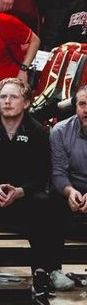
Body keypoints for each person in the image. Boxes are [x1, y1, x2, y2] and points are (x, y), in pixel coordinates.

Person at [0, 79, 57, 300]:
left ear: (26, 103)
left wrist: (20, 191)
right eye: (3, 97)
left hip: (24, 198)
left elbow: (42, 175)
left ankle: (41, 272)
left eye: (13, 97)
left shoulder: (37, 132)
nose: (7, 101)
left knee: (44, 201)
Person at [49, 85, 87, 294]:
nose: (86, 110)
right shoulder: (60, 131)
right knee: (51, 202)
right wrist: (70, 191)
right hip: (71, 187)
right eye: (82, 104)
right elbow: (57, 172)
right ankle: (54, 270)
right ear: (75, 107)